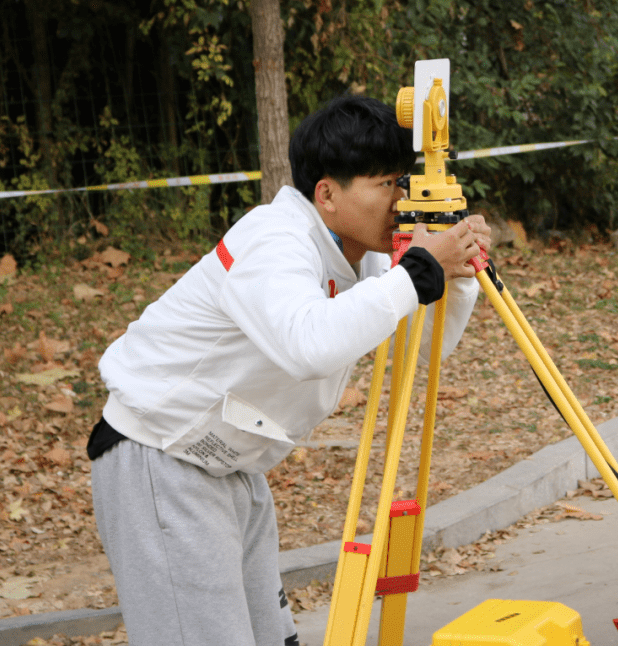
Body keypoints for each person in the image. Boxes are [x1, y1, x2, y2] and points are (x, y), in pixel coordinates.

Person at [85, 95, 490, 646]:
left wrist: (456, 278)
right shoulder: (273, 238)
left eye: (405, 182)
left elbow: (423, 352)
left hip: (231, 467)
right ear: (327, 194)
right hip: (161, 457)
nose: (402, 201)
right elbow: (307, 344)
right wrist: (418, 270)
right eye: (387, 184)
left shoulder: (360, 252)